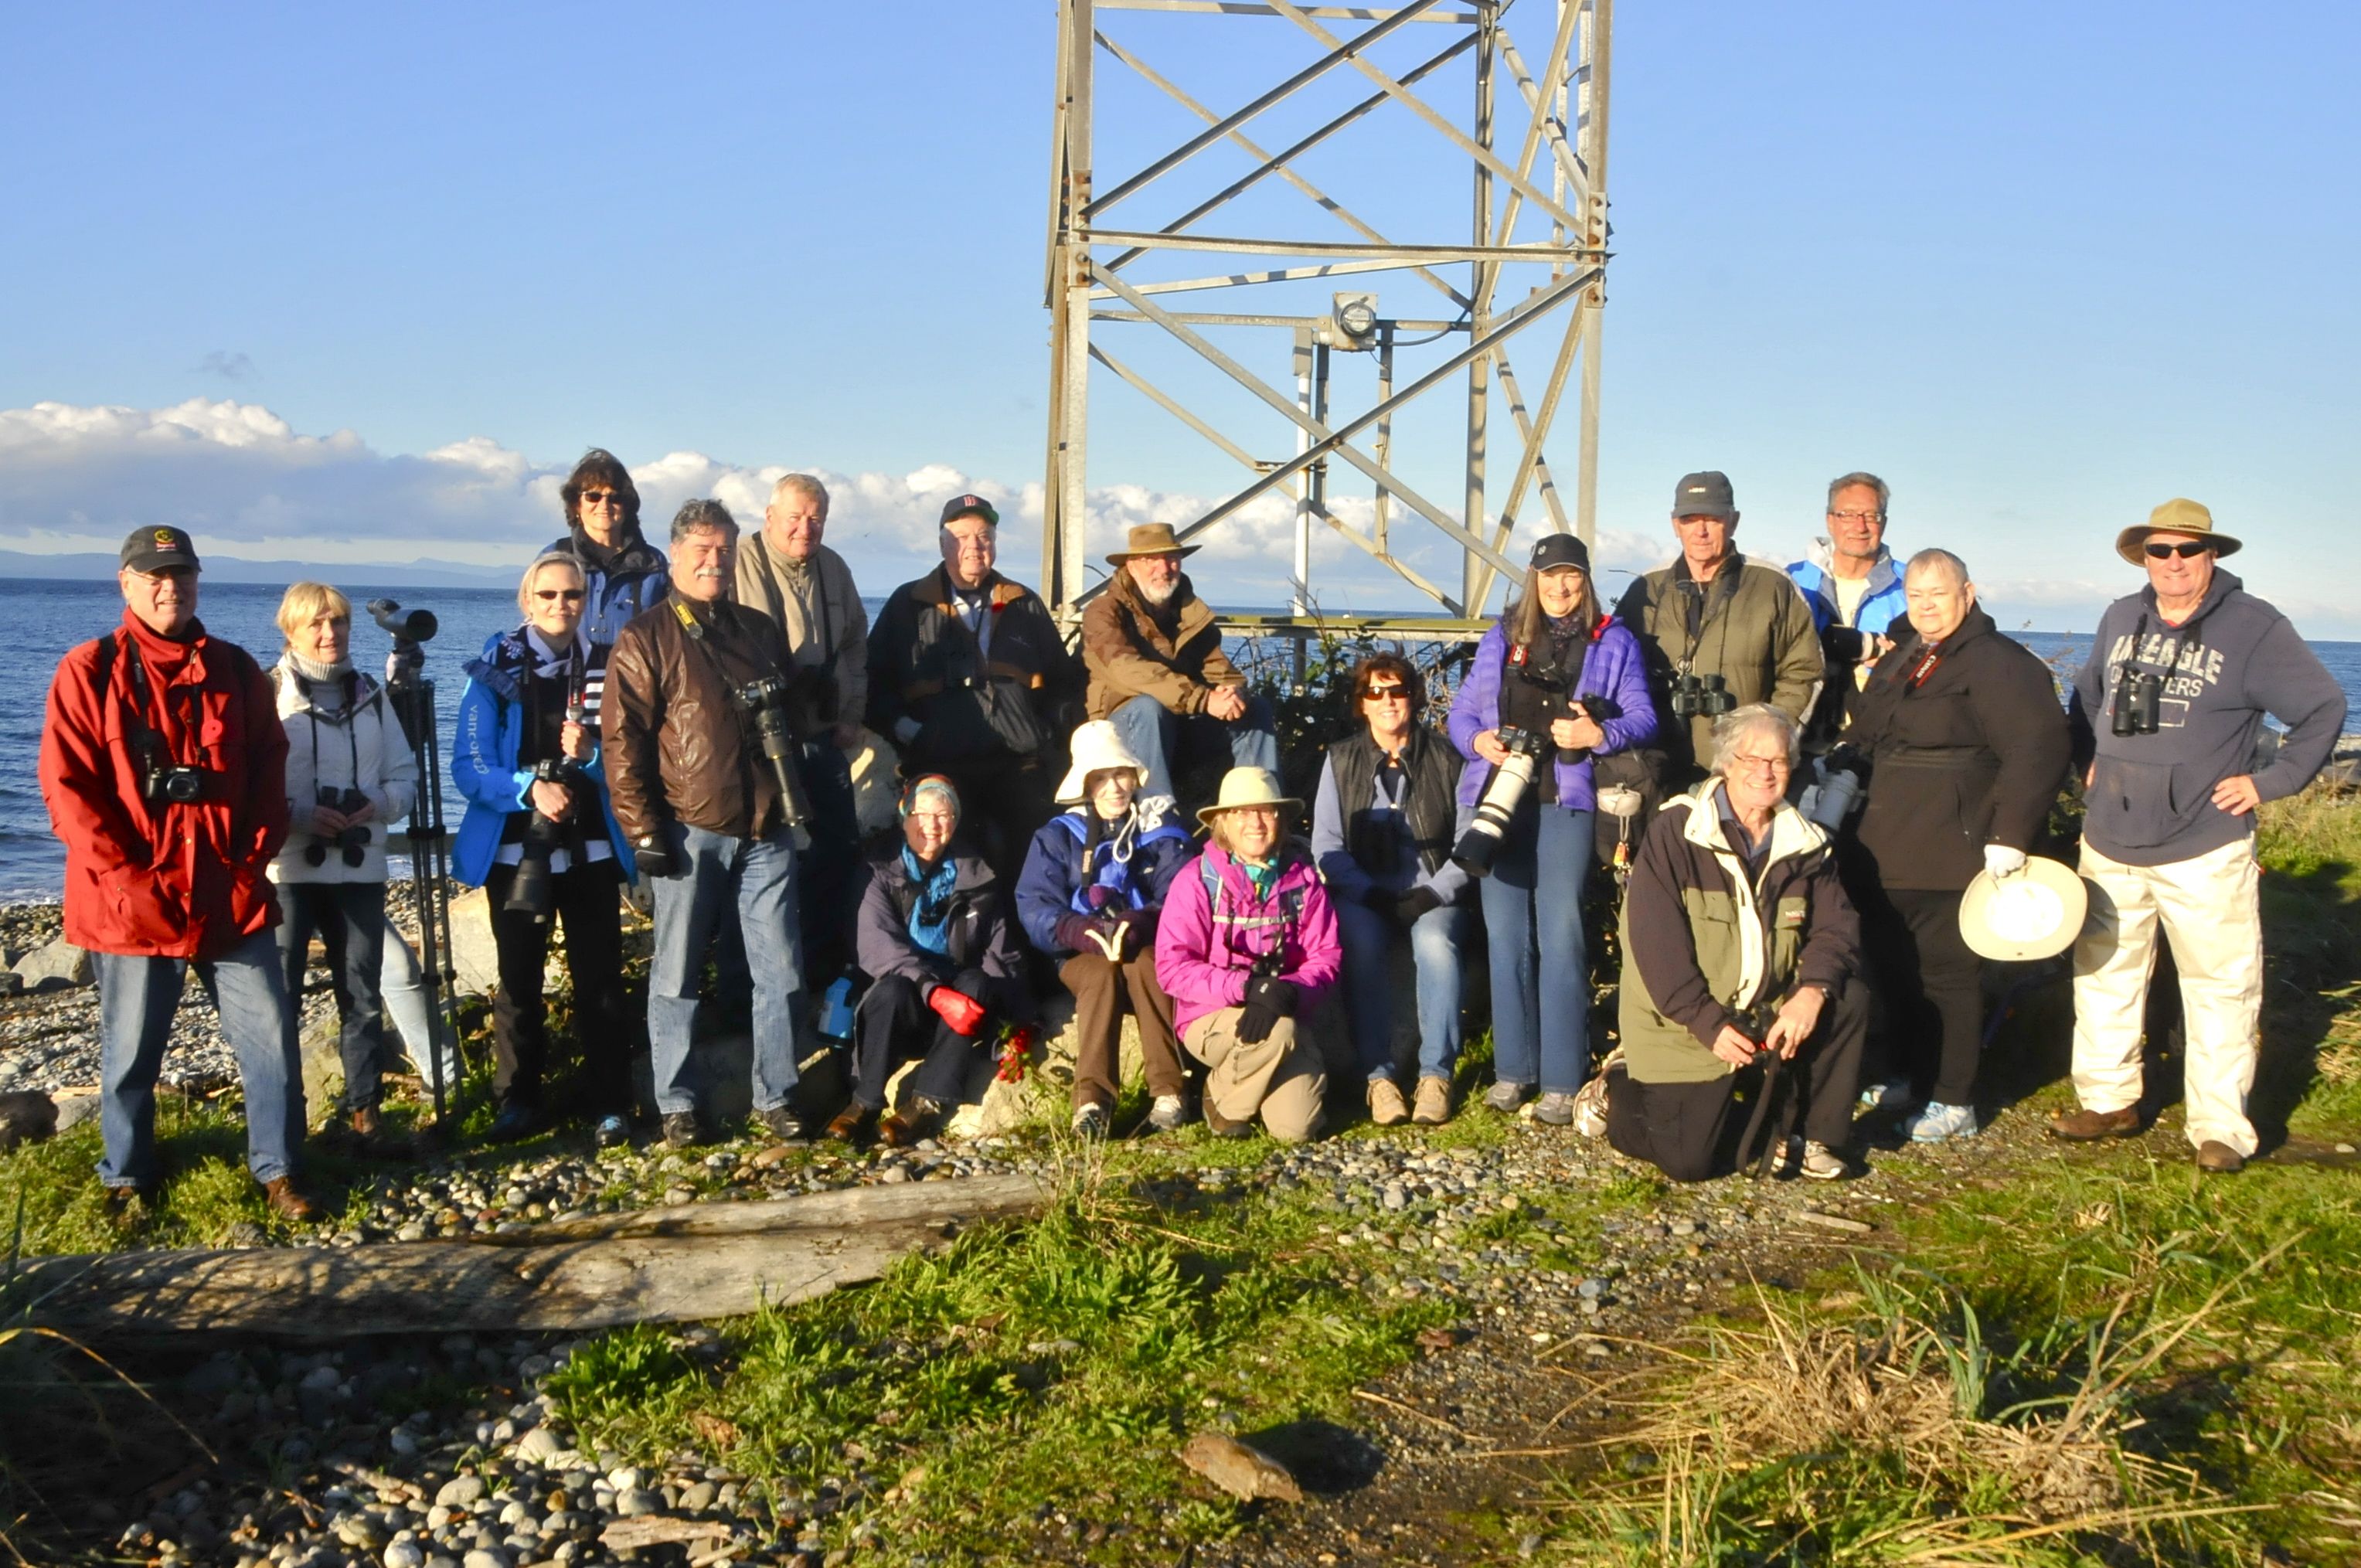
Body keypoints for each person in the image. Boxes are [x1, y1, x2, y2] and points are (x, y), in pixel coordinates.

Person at [2052, 499, 2346, 1172]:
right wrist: (2089, 761)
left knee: (2219, 985)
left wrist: (2268, 783)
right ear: (2143, 557)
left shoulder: (2254, 627)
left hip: (2205, 842)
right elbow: (2089, 694)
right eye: (2161, 551)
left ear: (2212, 555)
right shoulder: (2118, 617)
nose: (2174, 563)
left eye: (2188, 550)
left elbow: (2323, 707)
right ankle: (2107, 1099)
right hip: (2111, 837)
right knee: (2103, 973)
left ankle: (2219, 1127)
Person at [39, 527, 313, 1221]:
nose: (171, 586)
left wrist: (251, 860)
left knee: (272, 1042)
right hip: (129, 903)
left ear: (198, 581)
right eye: (155, 574)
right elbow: (67, 791)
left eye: (183, 573)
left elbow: (269, 770)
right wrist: (128, 878)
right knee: (130, 1055)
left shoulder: (235, 667)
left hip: (228, 895)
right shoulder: (88, 669)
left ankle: (279, 1173)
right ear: (125, 583)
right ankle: (126, 1178)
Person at [1579, 705, 1866, 1182]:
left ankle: (1808, 1135)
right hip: (1680, 1017)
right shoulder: (1678, 831)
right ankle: (1617, 1087)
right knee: (1688, 1162)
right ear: (1726, 764)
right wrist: (1706, 1022)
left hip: (1764, 1006)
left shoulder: (1806, 841)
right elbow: (1654, 940)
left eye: (1777, 761)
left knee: (1848, 994)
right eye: (1751, 759)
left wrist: (1812, 991)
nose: (1765, 772)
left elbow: (1837, 928)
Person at [1839, 549, 2070, 1141]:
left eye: (1936, 594)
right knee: (1891, 969)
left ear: (1967, 592)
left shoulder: (2000, 663)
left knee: (1948, 977)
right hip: (1884, 846)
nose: (1925, 607)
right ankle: (1906, 1075)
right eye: (1915, 596)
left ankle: (1953, 1097)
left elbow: (2037, 748)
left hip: (1954, 850)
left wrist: (2010, 835)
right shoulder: (1909, 657)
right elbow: (1865, 732)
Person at [605, 499, 812, 1150]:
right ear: (674, 555)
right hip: (689, 829)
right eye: (700, 548)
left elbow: (790, 715)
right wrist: (643, 833)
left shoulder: (758, 629)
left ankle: (775, 1096)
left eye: (723, 549)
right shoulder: (646, 636)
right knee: (676, 975)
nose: (713, 560)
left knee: (780, 970)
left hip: (766, 825)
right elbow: (621, 741)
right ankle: (677, 1103)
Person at [1448, 535, 1657, 1123]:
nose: (1560, 588)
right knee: (1504, 934)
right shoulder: (1504, 635)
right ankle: (1514, 1072)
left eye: (1570, 577)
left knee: (1561, 936)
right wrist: (1477, 741)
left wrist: (1597, 736)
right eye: (1548, 577)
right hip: (1500, 799)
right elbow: (1462, 712)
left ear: (1585, 580)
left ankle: (1564, 1079)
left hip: (1566, 801)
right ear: (1533, 580)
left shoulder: (1613, 640)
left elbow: (1642, 716)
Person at [451, 553, 637, 1146]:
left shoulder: (607, 667)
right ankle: (518, 1101)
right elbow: (469, 765)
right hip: (517, 850)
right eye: (549, 594)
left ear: (587, 601)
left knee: (601, 981)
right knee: (518, 981)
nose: (562, 605)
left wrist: (587, 757)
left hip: (590, 851)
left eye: (573, 595)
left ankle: (609, 1100)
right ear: (527, 601)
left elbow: (632, 762)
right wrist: (528, 787)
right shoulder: (492, 669)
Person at [267, 582, 420, 1151]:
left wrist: (376, 805)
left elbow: (404, 775)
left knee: (360, 994)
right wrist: (301, 815)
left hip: (359, 868)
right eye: (316, 624)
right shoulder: (269, 694)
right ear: (291, 631)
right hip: (289, 870)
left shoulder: (372, 696)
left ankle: (366, 1117)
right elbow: (248, 786)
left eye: (339, 623)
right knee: (277, 997)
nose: (330, 634)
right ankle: (286, 1126)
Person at [866, 494, 1079, 884]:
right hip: (940, 762)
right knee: (950, 856)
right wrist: (906, 730)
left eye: (984, 537)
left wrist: (1049, 731)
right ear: (943, 544)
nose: (974, 547)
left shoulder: (1023, 603)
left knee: (1039, 847)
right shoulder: (907, 604)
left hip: (1018, 762)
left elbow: (1063, 681)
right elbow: (873, 681)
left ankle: (1032, 941)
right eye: (962, 537)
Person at [1311, 652, 1473, 1127]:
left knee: (1436, 944)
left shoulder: (1448, 757)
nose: (1387, 701)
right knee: (1359, 943)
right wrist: (1368, 893)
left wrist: (1434, 893)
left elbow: (1469, 840)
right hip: (1365, 892)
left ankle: (1436, 1073)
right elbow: (1327, 844)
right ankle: (1378, 1078)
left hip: (1433, 889)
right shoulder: (1340, 759)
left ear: (1414, 697)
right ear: (1361, 703)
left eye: (1397, 690)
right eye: (1374, 692)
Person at [1015, 721, 1196, 1137]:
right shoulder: (1057, 836)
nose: (1114, 787)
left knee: (1149, 965)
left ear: (1134, 776)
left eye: (1120, 774)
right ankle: (1092, 1102)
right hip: (1079, 954)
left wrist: (1141, 921)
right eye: (1101, 777)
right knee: (1100, 975)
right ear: (1086, 783)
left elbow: (1181, 896)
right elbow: (1035, 904)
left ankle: (1169, 1092)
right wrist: (1075, 929)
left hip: (1145, 945)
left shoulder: (1162, 831)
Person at [834, 776, 1034, 1147]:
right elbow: (880, 948)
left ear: (955, 822)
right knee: (891, 988)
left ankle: (927, 1103)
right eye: (920, 813)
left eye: (942, 815)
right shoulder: (878, 871)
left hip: (956, 1013)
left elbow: (1001, 952)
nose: (931, 824)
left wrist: (1014, 1025)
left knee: (976, 983)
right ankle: (864, 1102)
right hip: (906, 1004)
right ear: (904, 817)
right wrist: (933, 991)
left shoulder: (979, 875)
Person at [733, 472, 869, 983]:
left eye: (815, 519)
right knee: (762, 858)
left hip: (822, 734)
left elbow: (857, 643)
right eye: (794, 517)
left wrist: (851, 714)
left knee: (837, 849)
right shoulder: (739, 562)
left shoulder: (834, 568)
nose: (804, 528)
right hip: (757, 744)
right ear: (769, 517)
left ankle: (822, 965)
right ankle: (749, 981)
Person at [1154, 767, 1339, 1142]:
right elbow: (1172, 968)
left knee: (1296, 1128)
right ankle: (1222, 1101)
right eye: (1241, 812)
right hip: (1210, 1017)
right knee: (1281, 1033)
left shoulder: (1303, 879)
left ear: (1279, 818)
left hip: (1285, 1006)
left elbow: (1326, 956)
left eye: (1266, 811)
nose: (1255, 822)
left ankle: (1250, 1088)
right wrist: (1248, 988)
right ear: (1222, 821)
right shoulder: (1195, 880)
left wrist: (1285, 991)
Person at [1614, 471, 1825, 785]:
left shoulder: (1771, 585)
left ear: (1733, 521)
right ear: (1675, 525)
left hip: (1744, 774)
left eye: (1712, 518)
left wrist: (1766, 742)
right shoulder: (1647, 590)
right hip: (1657, 763)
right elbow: (1614, 671)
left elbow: (1804, 671)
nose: (1700, 530)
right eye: (1689, 519)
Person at [1083, 522, 1278, 805]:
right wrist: (1202, 699)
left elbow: (1220, 671)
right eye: (1151, 560)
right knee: (1148, 708)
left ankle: (1258, 808)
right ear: (1131, 566)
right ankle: (1157, 819)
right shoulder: (1103, 612)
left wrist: (1233, 693)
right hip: (1122, 725)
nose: (1164, 568)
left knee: (1253, 710)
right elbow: (1126, 667)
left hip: (1180, 723)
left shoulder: (1190, 613)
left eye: (1172, 559)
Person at [1787, 472, 1909, 747]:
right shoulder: (1791, 582)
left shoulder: (1912, 589)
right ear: (1830, 521)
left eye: (1871, 516)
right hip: (1800, 738)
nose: (1860, 526)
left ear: (1884, 523)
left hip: (1883, 740)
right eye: (1848, 515)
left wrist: (1893, 661)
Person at [549, 447, 670, 662]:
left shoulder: (653, 564)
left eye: (615, 497)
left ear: (627, 506)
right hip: (568, 682)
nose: (604, 505)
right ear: (577, 505)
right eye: (593, 496)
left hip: (633, 683)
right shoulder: (555, 557)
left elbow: (668, 633)